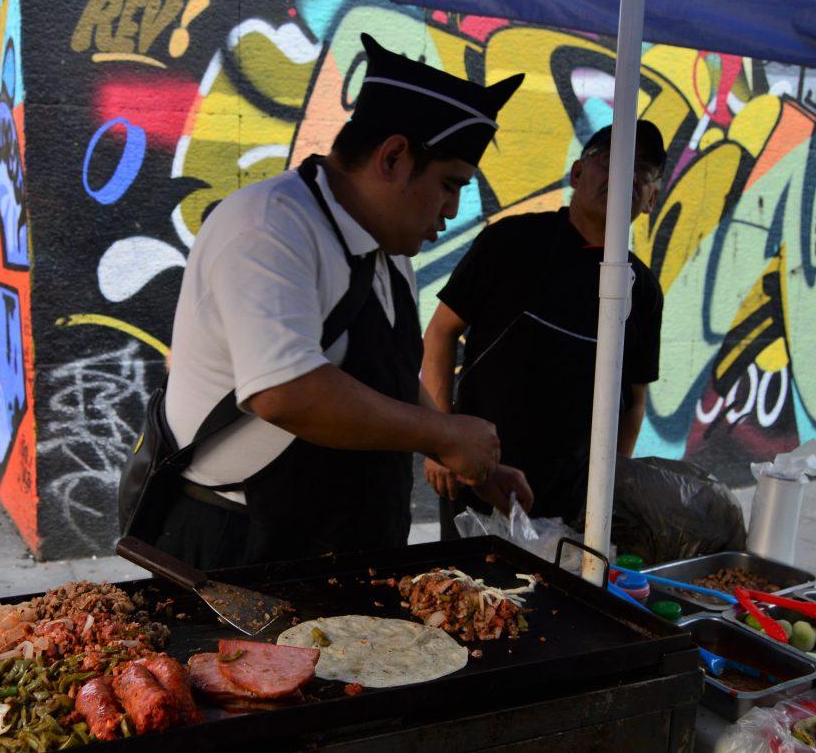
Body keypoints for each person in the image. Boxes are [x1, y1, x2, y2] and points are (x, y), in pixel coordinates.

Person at [151, 33, 532, 569]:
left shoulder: (388, 245)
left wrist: (470, 462)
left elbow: (390, 379)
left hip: (349, 543)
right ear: (394, 158)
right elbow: (287, 392)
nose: (450, 210)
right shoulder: (267, 228)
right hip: (245, 551)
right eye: (449, 185)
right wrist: (444, 431)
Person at [422, 120, 666, 538]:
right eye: (609, 160)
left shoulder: (641, 289)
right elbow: (441, 334)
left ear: (651, 199)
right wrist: (441, 441)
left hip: (570, 505)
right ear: (577, 174)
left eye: (641, 170)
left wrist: (609, 489)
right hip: (477, 483)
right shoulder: (511, 241)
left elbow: (634, 402)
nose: (624, 175)